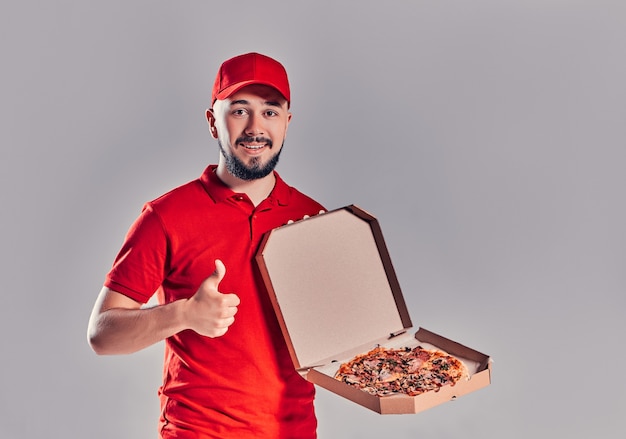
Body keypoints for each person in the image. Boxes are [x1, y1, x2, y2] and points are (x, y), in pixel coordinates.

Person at [87, 52, 325, 439]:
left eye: (270, 112)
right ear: (213, 122)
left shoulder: (315, 218)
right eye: (239, 110)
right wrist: (183, 315)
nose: (255, 127)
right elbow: (101, 333)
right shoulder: (166, 216)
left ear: (286, 123)